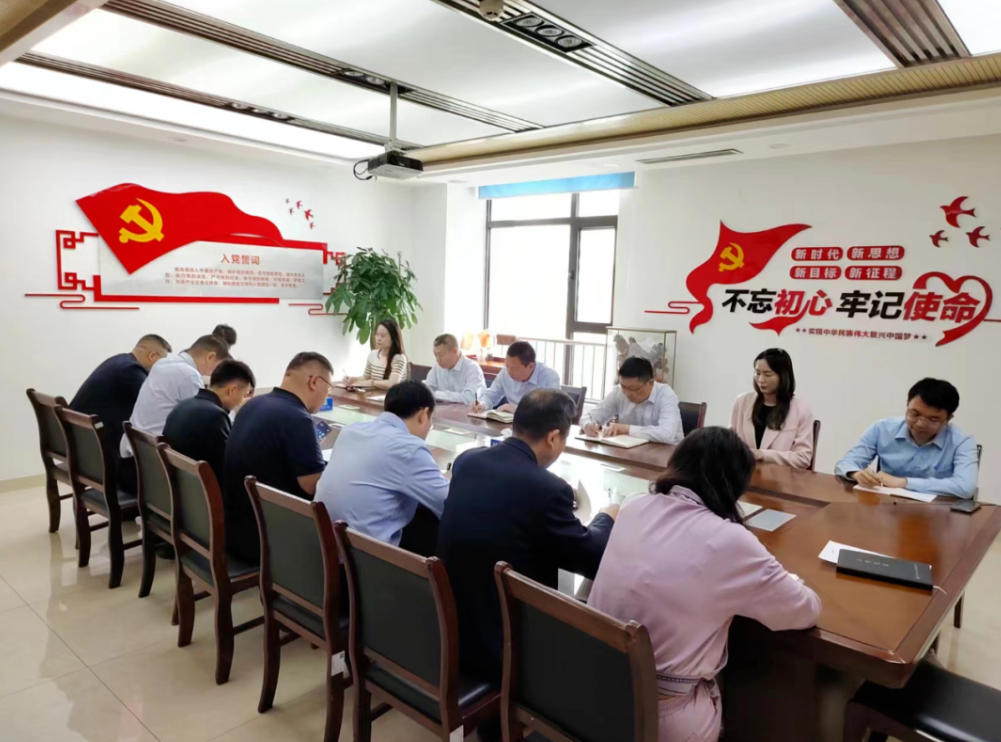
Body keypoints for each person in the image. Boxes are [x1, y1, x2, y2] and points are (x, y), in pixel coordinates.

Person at [588, 427, 822, 742]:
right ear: (735, 485)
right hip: (658, 718)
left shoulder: (635, 506)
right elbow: (804, 610)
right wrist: (789, 580)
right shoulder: (730, 540)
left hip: (592, 693)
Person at [438, 389, 618, 682]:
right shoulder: (549, 489)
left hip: (453, 624)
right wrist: (606, 517)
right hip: (507, 641)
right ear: (553, 437)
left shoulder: (467, 461)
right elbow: (591, 559)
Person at [317, 380, 449, 556]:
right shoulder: (409, 448)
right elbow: (448, 504)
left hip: (322, 549)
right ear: (423, 414)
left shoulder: (351, 430)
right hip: (363, 562)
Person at [223, 352, 332, 562]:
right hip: (268, 540)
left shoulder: (252, 405)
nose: (326, 396)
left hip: (236, 528)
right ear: (314, 382)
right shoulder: (298, 419)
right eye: (328, 388)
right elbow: (312, 485)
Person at [119, 334, 230, 490]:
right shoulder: (189, 375)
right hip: (150, 472)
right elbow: (204, 417)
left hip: (131, 459)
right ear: (210, 357)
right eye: (217, 366)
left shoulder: (163, 363)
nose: (214, 374)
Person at [835, 378, 978, 498]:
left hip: (936, 513)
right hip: (887, 508)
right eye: (914, 414)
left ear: (947, 419)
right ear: (907, 405)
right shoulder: (881, 428)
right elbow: (845, 463)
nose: (920, 424)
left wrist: (904, 482)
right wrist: (856, 473)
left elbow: (965, 487)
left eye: (932, 419)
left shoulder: (962, 441)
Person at [70, 334, 172, 462]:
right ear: (152, 356)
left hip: (79, 438)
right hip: (93, 450)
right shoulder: (131, 371)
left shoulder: (118, 361)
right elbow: (155, 405)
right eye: (162, 362)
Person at [162, 360, 255, 486]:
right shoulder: (215, 416)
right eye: (245, 395)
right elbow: (228, 467)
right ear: (232, 390)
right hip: (202, 490)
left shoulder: (183, 405)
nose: (242, 401)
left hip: (180, 486)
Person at [729, 348, 814, 469]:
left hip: (779, 477)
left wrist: (763, 454)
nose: (761, 380)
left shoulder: (801, 410)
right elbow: (729, 442)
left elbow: (802, 458)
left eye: (768, 374)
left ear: (783, 376)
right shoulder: (742, 401)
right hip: (742, 474)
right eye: (757, 373)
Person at [582, 357, 683, 444]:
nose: (627, 393)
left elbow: (666, 434)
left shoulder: (666, 395)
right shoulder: (619, 392)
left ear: (650, 383)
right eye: (623, 386)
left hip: (669, 454)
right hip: (631, 451)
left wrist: (626, 429)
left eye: (632, 388)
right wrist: (588, 425)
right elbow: (588, 417)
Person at [471, 341, 560, 413]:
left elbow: (551, 410)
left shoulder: (549, 376)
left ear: (531, 366)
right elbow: (492, 395)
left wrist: (516, 409)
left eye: (514, 369)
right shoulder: (505, 373)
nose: (509, 372)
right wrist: (482, 404)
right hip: (510, 423)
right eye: (507, 366)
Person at [423, 333, 486, 405]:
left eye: (440, 355)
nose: (437, 360)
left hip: (467, 411)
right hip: (443, 411)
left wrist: (437, 394)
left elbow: (470, 398)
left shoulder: (472, 368)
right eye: (435, 355)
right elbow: (427, 390)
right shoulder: (437, 367)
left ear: (455, 351)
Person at [346, 318, 409, 389]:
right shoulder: (372, 355)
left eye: (382, 336)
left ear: (393, 338)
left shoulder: (399, 358)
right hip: (374, 395)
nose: (378, 338)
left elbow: (393, 384)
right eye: (377, 334)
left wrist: (372, 382)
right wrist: (353, 380)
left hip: (394, 395)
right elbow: (366, 378)